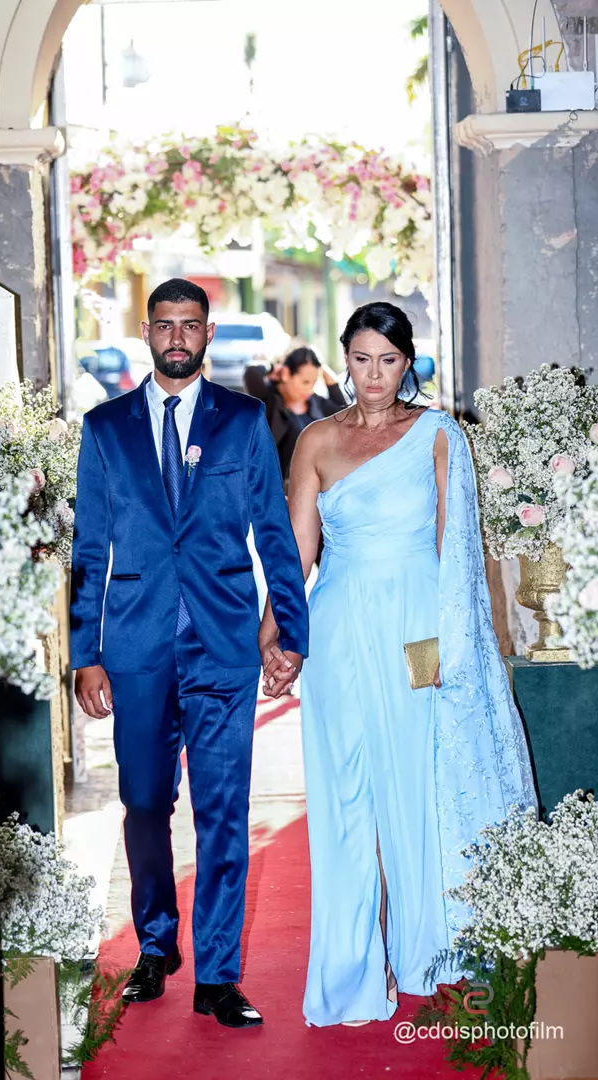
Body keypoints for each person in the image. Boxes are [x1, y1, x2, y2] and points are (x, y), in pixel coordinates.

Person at [259, 301, 536, 1026]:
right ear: (344, 362)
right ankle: (350, 974)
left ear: (406, 362)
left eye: (387, 360)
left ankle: (423, 956)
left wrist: (451, 646)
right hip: (337, 630)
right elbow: (297, 550)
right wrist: (274, 634)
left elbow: (457, 552)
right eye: (361, 360)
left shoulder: (440, 435)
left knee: (413, 789)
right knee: (342, 796)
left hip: (418, 629)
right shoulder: (317, 439)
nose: (374, 375)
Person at [70, 278, 309, 1029]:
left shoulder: (243, 420)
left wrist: (288, 631)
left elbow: (275, 532)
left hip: (222, 643)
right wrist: (85, 652)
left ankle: (219, 974)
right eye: (165, 323)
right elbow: (88, 549)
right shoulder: (104, 428)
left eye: (190, 324)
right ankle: (154, 944)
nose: (178, 336)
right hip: (135, 645)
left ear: (208, 334)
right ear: (147, 332)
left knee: (223, 810)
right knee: (144, 803)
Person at [244, 347, 347, 488]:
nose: (309, 389)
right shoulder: (268, 400)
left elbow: (345, 416)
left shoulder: (315, 402)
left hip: (314, 489)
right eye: (305, 382)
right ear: (286, 373)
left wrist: (332, 383)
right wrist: (273, 368)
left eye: (314, 382)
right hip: (274, 489)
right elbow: (251, 372)